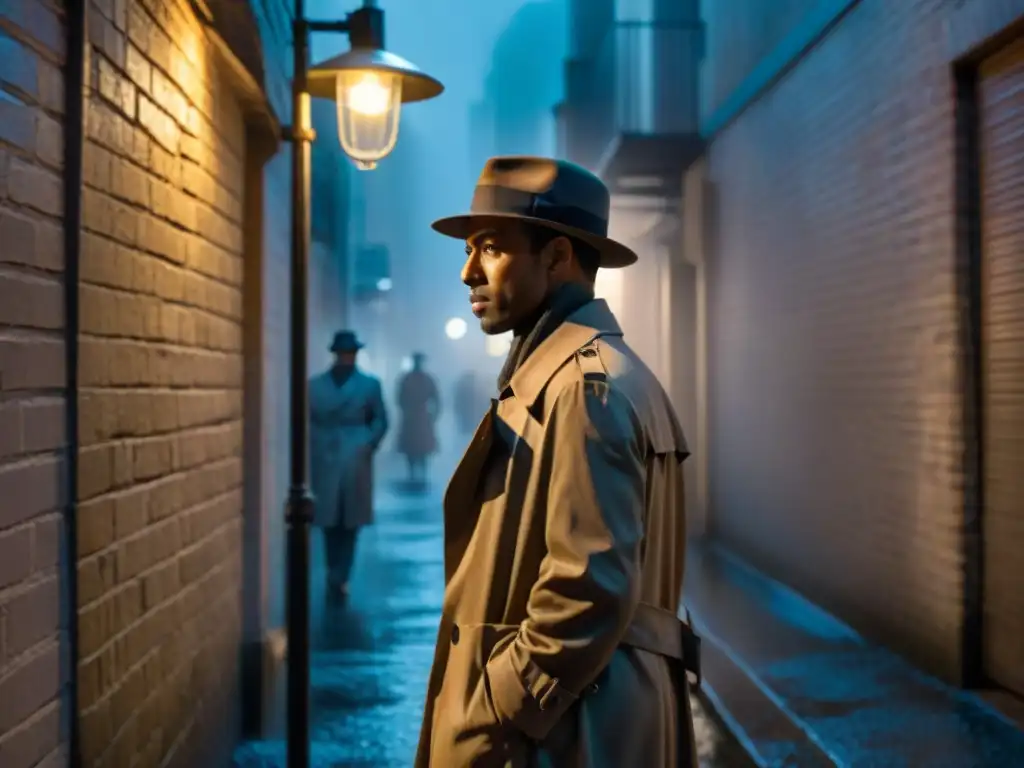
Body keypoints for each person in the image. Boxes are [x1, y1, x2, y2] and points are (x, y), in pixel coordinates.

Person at [414, 156, 699, 767]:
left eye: (490, 248)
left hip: (566, 736)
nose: (468, 272)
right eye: (468, 251)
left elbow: (588, 586)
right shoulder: (577, 378)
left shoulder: (584, 389)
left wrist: (500, 704)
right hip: (579, 723)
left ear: (557, 256)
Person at [309, 330, 388, 599]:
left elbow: (380, 419)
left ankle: (342, 574)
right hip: (325, 457)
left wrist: (368, 443)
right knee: (328, 519)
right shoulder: (315, 386)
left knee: (351, 520)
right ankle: (333, 570)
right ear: (335, 354)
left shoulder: (369, 385)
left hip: (356, 456)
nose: (347, 358)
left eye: (351, 353)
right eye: (343, 353)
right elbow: (306, 419)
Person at [396, 352, 441, 484]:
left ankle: (422, 475)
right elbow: (399, 398)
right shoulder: (406, 379)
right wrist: (406, 410)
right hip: (411, 417)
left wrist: (433, 416)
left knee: (423, 448)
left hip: (422, 417)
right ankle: (412, 475)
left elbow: (436, 399)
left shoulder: (427, 379)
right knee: (410, 448)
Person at [453, 370, 486, 436]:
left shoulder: (478, 393)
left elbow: (457, 407)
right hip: (469, 425)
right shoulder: (465, 393)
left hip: (472, 425)